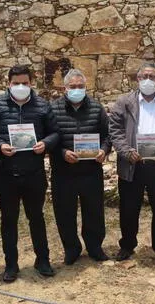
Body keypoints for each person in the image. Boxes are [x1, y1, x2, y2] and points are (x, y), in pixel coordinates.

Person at [0, 65, 59, 282]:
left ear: (32, 83)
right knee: (8, 220)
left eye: (25, 82)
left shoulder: (42, 105)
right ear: (8, 83)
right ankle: (11, 264)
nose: (21, 87)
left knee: (37, 218)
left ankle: (43, 260)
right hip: (5, 174)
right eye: (16, 83)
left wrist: (46, 144)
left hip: (34, 174)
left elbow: (55, 133)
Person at [109, 62, 155, 268]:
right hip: (132, 164)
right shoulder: (124, 102)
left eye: (153, 77)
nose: (149, 80)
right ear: (137, 79)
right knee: (128, 208)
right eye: (145, 76)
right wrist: (126, 151)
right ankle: (127, 245)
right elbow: (115, 129)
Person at [50, 69, 111, 265]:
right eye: (73, 87)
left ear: (86, 87)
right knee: (64, 212)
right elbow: (49, 138)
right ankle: (71, 249)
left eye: (81, 86)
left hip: (91, 171)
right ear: (64, 88)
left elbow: (107, 136)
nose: (77, 90)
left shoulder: (96, 108)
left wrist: (103, 150)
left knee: (94, 211)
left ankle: (94, 247)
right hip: (63, 171)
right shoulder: (53, 109)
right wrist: (62, 153)